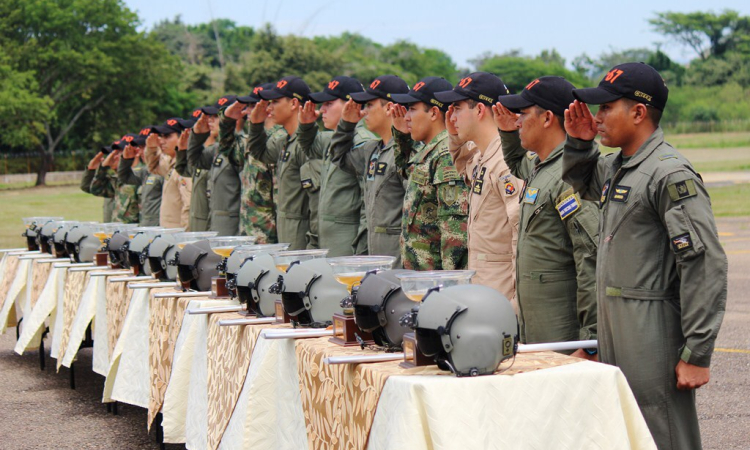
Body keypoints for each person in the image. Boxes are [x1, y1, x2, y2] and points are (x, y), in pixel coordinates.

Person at [562, 62, 727, 450]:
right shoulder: (620, 166)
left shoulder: (669, 174)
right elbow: (582, 180)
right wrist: (580, 142)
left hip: (651, 332)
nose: (597, 117)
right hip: (618, 325)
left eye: (606, 108)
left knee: (663, 430)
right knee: (627, 433)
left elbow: (704, 263)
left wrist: (697, 351)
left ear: (638, 112)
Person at [493, 76, 598, 357]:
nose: (517, 122)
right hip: (537, 331)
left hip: (563, 336)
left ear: (548, 118)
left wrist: (590, 343)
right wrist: (507, 133)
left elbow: (590, 258)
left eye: (524, 114)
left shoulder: (569, 175)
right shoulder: (541, 165)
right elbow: (516, 164)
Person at [434, 72, 521, 303]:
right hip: (485, 290)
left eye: (457, 108)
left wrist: (516, 304)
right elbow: (463, 163)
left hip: (503, 295)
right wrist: (454, 136)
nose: (451, 116)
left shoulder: (505, 164)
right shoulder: (483, 154)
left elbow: (521, 236)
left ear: (480, 110)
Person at [390, 76, 470, 270]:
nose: (406, 117)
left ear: (434, 113)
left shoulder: (445, 155)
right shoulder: (429, 150)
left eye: (412, 109)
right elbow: (404, 172)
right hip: (421, 275)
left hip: (435, 279)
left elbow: (455, 230)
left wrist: (450, 284)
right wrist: (401, 136)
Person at [330, 75, 410, 264]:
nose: (364, 112)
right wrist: (346, 125)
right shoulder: (371, 149)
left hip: (398, 258)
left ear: (390, 108)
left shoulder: (407, 151)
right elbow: (339, 157)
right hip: (375, 254)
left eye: (370, 105)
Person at [297, 76, 378, 256]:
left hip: (348, 246)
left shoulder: (362, 142)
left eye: (329, 104)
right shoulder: (334, 139)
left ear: (351, 105)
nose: (322, 110)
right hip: (328, 243)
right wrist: (306, 125)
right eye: (322, 104)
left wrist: (361, 252)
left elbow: (368, 205)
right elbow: (309, 147)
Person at [242, 76, 313, 250]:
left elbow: (316, 201)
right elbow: (259, 152)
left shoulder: (307, 145)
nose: (269, 107)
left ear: (294, 103)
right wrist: (256, 124)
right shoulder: (284, 141)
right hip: (285, 233)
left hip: (301, 238)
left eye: (275, 101)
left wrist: (314, 244)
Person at [221, 84, 283, 243]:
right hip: (249, 234)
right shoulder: (251, 141)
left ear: (267, 107)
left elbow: (280, 199)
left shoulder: (279, 140)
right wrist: (227, 120)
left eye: (252, 106)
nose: (247, 111)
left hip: (270, 238)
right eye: (247, 106)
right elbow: (228, 149)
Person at [188, 96, 243, 236]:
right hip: (215, 228)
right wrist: (197, 136)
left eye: (217, 116)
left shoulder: (244, 147)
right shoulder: (216, 149)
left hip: (234, 231)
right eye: (210, 116)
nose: (210, 120)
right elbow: (195, 160)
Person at [144, 118, 192, 229]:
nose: (161, 141)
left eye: (167, 136)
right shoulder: (171, 162)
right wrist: (151, 148)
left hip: (178, 233)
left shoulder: (185, 166)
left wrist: (186, 237)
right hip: (170, 232)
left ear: (183, 137)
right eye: (161, 137)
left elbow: (188, 205)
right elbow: (153, 167)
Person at [82, 137, 140, 223]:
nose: (113, 156)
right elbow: (91, 188)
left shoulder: (139, 176)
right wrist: (93, 170)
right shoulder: (115, 179)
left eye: (119, 152)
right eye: (113, 153)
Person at [118, 127, 163, 226]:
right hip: (146, 227)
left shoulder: (165, 169)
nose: (141, 151)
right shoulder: (146, 171)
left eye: (145, 146)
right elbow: (124, 177)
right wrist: (126, 160)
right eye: (140, 147)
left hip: (161, 227)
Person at [175, 108, 209, 231]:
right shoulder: (198, 157)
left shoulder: (208, 155)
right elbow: (183, 170)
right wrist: (182, 151)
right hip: (195, 227)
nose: (188, 133)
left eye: (192, 129)